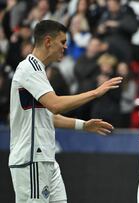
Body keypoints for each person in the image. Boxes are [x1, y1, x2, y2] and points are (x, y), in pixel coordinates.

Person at [9, 20, 122, 203]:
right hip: (31, 158)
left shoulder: (39, 71)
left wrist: (84, 125)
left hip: (45, 158)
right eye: (62, 41)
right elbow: (55, 105)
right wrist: (95, 92)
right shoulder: (29, 69)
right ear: (48, 42)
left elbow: (48, 117)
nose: (65, 46)